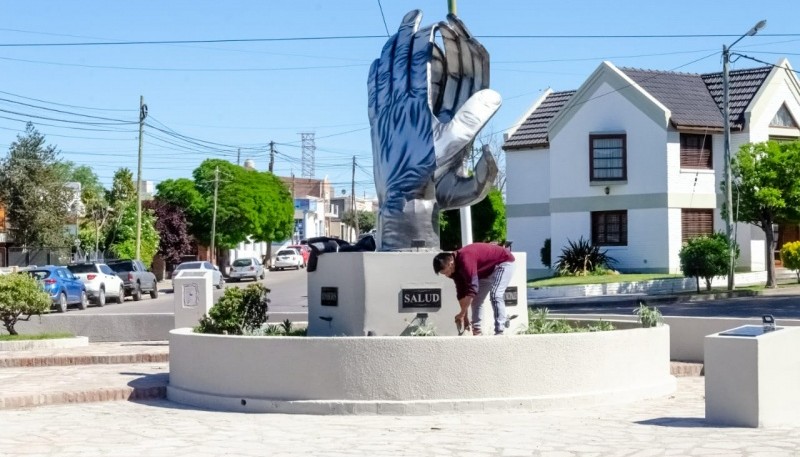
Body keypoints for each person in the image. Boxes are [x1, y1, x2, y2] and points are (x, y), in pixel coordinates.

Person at [433, 243, 515, 335]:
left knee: (495, 294)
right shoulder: (454, 271)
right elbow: (461, 293)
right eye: (444, 274)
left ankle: (499, 330)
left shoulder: (465, 259)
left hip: (502, 262)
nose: (447, 275)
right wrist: (465, 317)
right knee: (476, 300)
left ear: (450, 263)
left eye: (446, 272)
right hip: (485, 272)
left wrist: (462, 313)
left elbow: (473, 288)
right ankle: (477, 331)